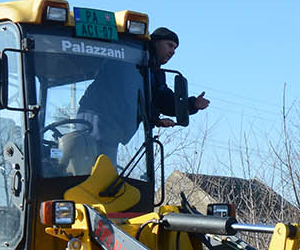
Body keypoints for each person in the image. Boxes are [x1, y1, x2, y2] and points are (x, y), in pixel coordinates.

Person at [65, 26, 211, 172]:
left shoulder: (153, 71)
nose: (173, 52)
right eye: (170, 45)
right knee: (99, 174)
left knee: (108, 178)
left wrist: (192, 104)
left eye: (175, 48)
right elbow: (132, 94)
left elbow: (162, 100)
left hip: (112, 127)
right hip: (98, 120)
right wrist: (153, 118)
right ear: (155, 42)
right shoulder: (130, 59)